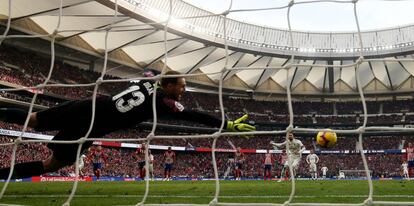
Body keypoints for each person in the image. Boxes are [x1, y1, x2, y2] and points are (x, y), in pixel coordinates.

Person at [0, 71, 255, 179]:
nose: (183, 92)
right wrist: (227, 124)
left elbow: (148, 74)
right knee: (52, 164)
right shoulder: (164, 102)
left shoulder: (146, 82)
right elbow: (193, 116)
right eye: (181, 87)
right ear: (167, 87)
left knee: (33, 119)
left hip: (89, 105)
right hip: (94, 125)